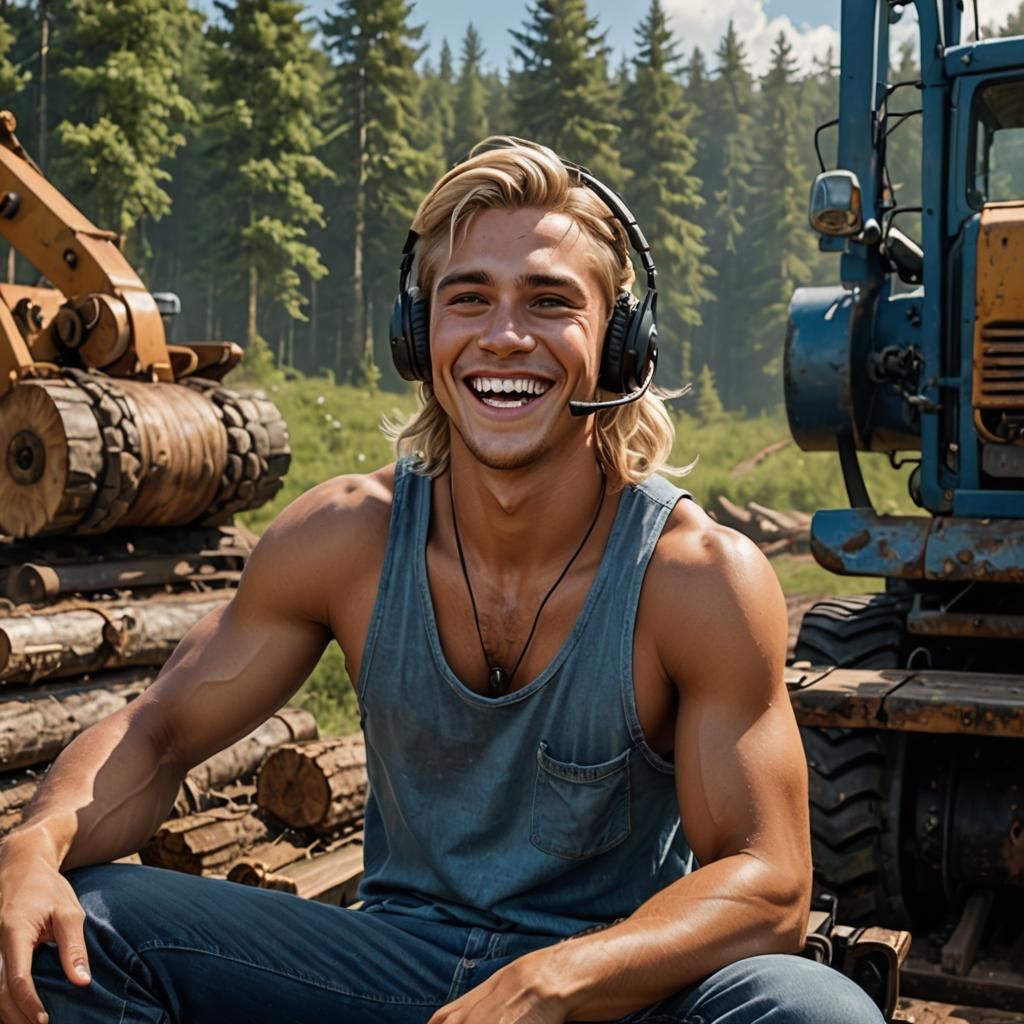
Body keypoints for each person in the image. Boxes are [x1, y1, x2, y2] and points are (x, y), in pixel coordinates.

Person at [0, 139, 883, 1024]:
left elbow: (768, 881)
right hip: (391, 971)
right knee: (74, 927)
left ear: (619, 345)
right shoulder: (346, 538)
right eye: (469, 299)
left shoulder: (694, 579)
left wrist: (552, 982)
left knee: (817, 1011)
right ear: (418, 337)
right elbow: (156, 732)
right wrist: (38, 843)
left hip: (618, 989)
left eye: (549, 302)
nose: (505, 335)